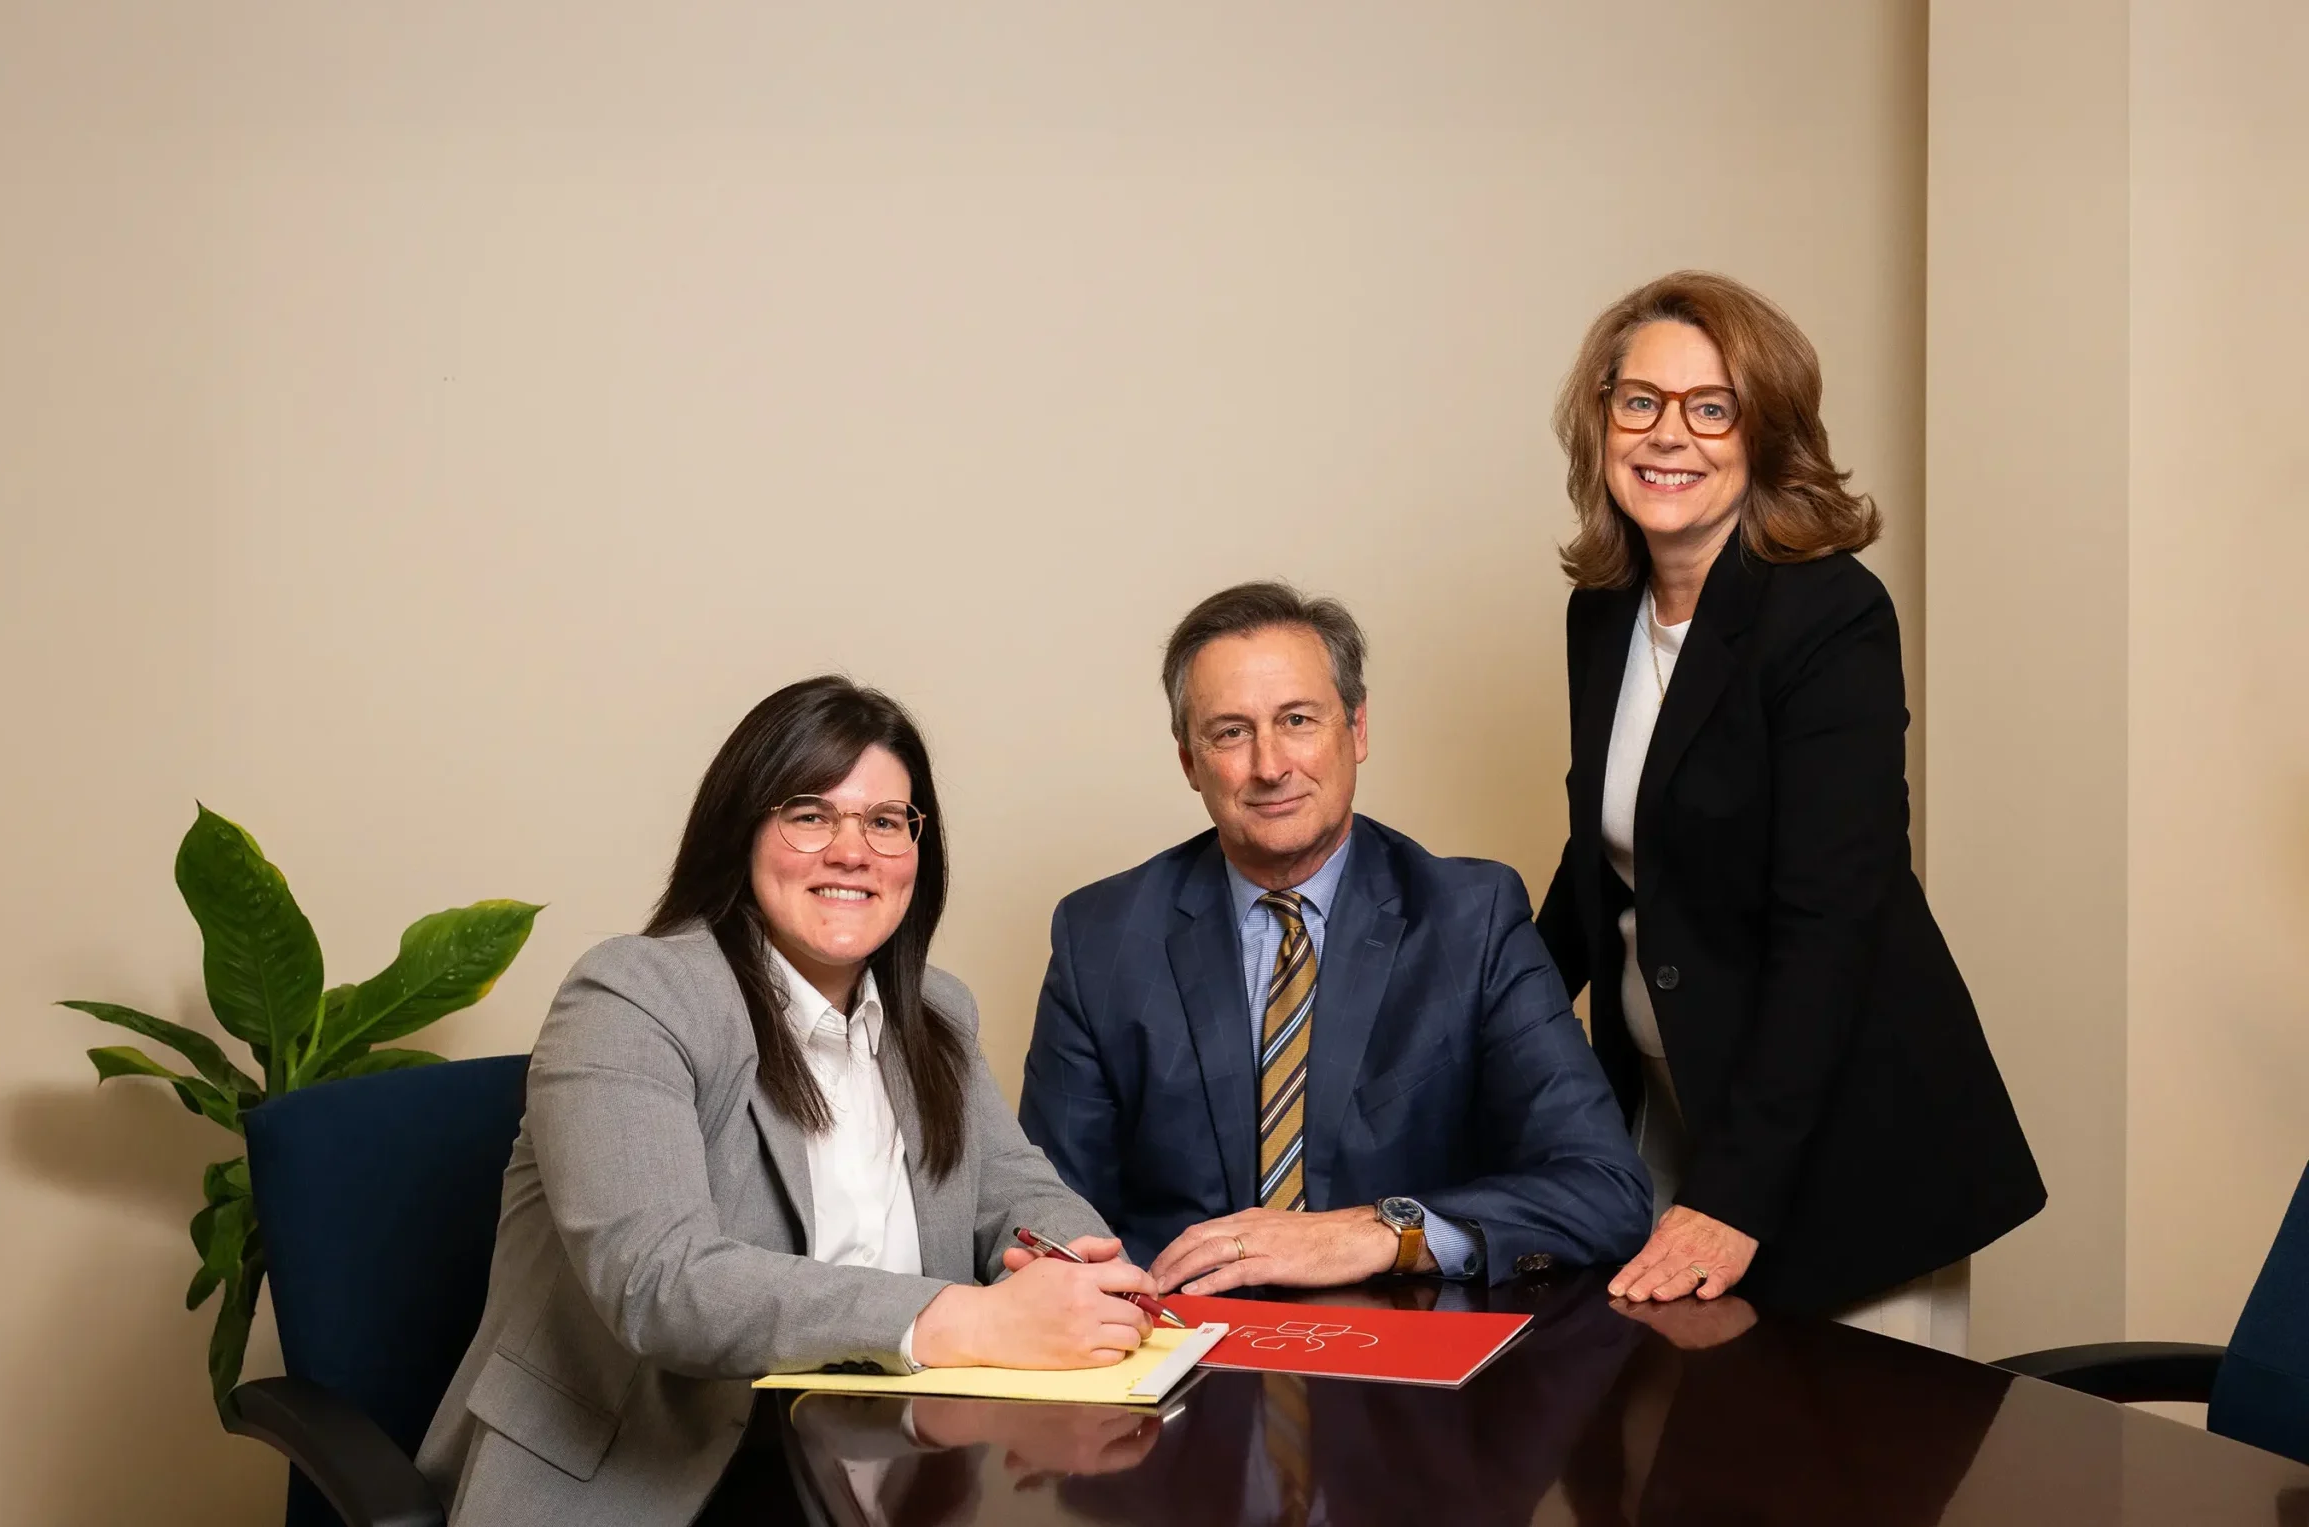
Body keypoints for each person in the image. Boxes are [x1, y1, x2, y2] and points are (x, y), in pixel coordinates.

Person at [418, 677, 1158, 1527]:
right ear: (742, 830)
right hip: (652, 1485)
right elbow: (659, 1280)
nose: (853, 850)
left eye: (885, 821)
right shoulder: (631, 997)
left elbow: (1012, 1190)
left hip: (897, 1463)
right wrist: (963, 1319)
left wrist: (1075, 1269)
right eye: (810, 814)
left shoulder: (935, 1013)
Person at [1534, 270, 2043, 1343]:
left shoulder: (1830, 617)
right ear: (1599, 418)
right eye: (1639, 401)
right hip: (1671, 1107)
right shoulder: (1602, 613)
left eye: (1710, 408)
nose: (1669, 435)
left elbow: (1831, 924)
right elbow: (1602, 866)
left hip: (1843, 1135)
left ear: (1764, 434)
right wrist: (1477, 1034)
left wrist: (1732, 1199)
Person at [1019, 582, 1652, 1299]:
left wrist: (1380, 1230)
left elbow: (1603, 1188)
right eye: (1230, 731)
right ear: (1189, 760)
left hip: (1404, 1374)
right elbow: (1050, 1220)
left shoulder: (1469, 920)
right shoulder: (1101, 937)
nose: (1269, 764)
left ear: (1356, 730)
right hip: (1179, 1356)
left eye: (1297, 719)